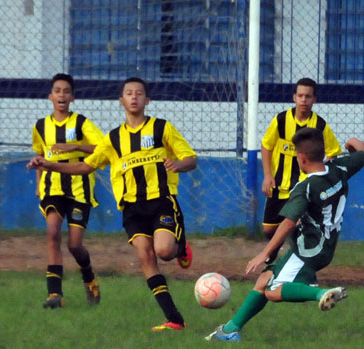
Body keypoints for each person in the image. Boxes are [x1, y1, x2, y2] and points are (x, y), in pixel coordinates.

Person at [28, 77, 196, 331]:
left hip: (161, 201)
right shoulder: (113, 139)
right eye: (129, 93)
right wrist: (49, 164)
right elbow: (86, 166)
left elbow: (190, 158)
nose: (134, 97)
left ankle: (180, 247)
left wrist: (179, 164)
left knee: (163, 251)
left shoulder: (162, 128)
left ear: (147, 100)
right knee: (146, 256)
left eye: (139, 93)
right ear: (121, 101)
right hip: (131, 208)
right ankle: (175, 320)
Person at [206, 128, 364, 342]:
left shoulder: (305, 187)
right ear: (323, 152)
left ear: (302, 158)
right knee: (265, 280)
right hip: (326, 245)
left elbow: (288, 222)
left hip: (307, 250)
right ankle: (230, 330)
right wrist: (353, 142)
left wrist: (264, 253)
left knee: (273, 290)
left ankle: (322, 294)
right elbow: (362, 152)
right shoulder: (339, 168)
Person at [32, 73, 104, 309]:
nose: (61, 95)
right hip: (52, 188)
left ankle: (89, 276)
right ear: (50, 96)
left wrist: (75, 145)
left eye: (66, 91)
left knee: (74, 245)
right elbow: (41, 156)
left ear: (72, 97)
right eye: (57, 90)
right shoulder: (41, 126)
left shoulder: (82, 123)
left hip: (79, 190)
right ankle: (55, 295)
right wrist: (38, 184)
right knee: (53, 233)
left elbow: (103, 147)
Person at [261, 78, 341, 263]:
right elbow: (266, 146)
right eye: (300, 96)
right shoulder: (281, 120)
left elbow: (333, 153)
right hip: (279, 184)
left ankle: (294, 262)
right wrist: (267, 175)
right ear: (294, 98)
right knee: (268, 229)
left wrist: (319, 176)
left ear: (314, 100)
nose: (304, 100)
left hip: (303, 188)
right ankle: (274, 252)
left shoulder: (320, 125)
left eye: (308, 96)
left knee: (296, 226)